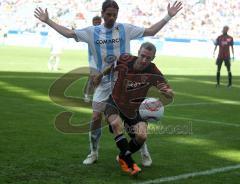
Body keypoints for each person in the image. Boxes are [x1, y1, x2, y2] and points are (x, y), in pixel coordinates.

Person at [34, 0, 182, 166]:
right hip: (104, 82)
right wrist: (48, 21)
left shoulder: (125, 29)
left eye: (115, 15)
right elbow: (69, 33)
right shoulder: (92, 31)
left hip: (126, 83)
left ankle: (143, 151)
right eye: (109, 14)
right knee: (96, 116)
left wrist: (168, 16)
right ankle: (93, 152)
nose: (112, 18)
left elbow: (151, 31)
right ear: (102, 13)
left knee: (133, 120)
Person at [98, 42, 174, 175]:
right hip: (115, 101)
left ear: (153, 58)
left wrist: (167, 92)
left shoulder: (153, 70)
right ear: (138, 52)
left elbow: (169, 90)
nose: (145, 60)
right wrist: (99, 76)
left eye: (148, 58)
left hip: (135, 108)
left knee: (142, 136)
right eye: (143, 56)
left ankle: (122, 155)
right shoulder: (124, 60)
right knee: (116, 124)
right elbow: (111, 67)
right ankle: (130, 164)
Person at [83, 16, 102, 103]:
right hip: (93, 59)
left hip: (102, 60)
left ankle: (94, 96)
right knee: (92, 78)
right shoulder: (89, 32)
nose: (97, 23)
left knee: (99, 79)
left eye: (99, 22)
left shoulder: (104, 32)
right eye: (96, 22)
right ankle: (87, 95)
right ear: (92, 22)